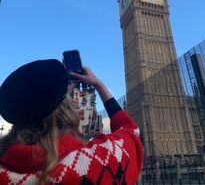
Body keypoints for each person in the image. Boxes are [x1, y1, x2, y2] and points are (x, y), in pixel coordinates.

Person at [0, 59, 143, 184]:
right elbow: (131, 131)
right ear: (65, 110)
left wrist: (59, 93)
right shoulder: (94, 164)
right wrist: (98, 85)